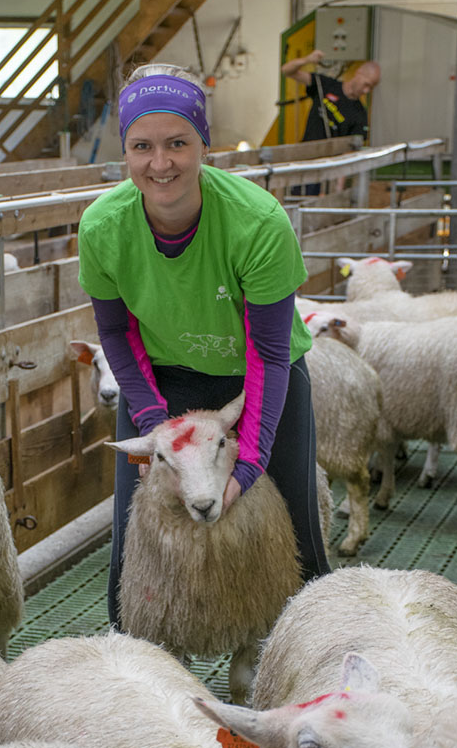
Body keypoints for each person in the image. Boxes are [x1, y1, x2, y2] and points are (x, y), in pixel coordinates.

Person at [77, 63, 331, 627]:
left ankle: (309, 645)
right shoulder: (102, 227)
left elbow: (268, 352)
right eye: (142, 146)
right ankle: (134, 644)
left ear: (203, 145)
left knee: (294, 527)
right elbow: (116, 332)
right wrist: (154, 427)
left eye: (177, 143)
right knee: (136, 532)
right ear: (125, 151)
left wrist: (250, 463)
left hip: (258, 379)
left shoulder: (256, 222)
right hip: (162, 378)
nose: (160, 163)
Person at [280, 49, 381, 194]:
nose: (366, 90)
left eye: (371, 88)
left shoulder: (359, 115)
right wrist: (307, 60)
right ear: (358, 73)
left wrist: (337, 187)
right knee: (296, 197)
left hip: (327, 170)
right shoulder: (325, 85)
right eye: (366, 84)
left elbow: (349, 153)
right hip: (305, 160)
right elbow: (287, 71)